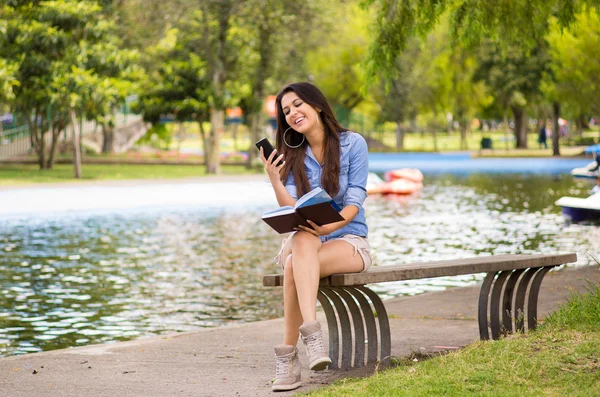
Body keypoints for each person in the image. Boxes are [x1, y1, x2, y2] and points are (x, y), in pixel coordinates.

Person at [259, 82, 371, 392]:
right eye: (286, 111)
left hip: (348, 241)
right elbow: (291, 207)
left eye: (297, 105)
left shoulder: (353, 144)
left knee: (296, 263)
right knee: (302, 239)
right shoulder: (292, 154)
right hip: (305, 240)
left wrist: (330, 227)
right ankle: (312, 331)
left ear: (317, 105)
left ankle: (288, 358)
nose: (293, 113)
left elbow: (355, 199)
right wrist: (274, 179)